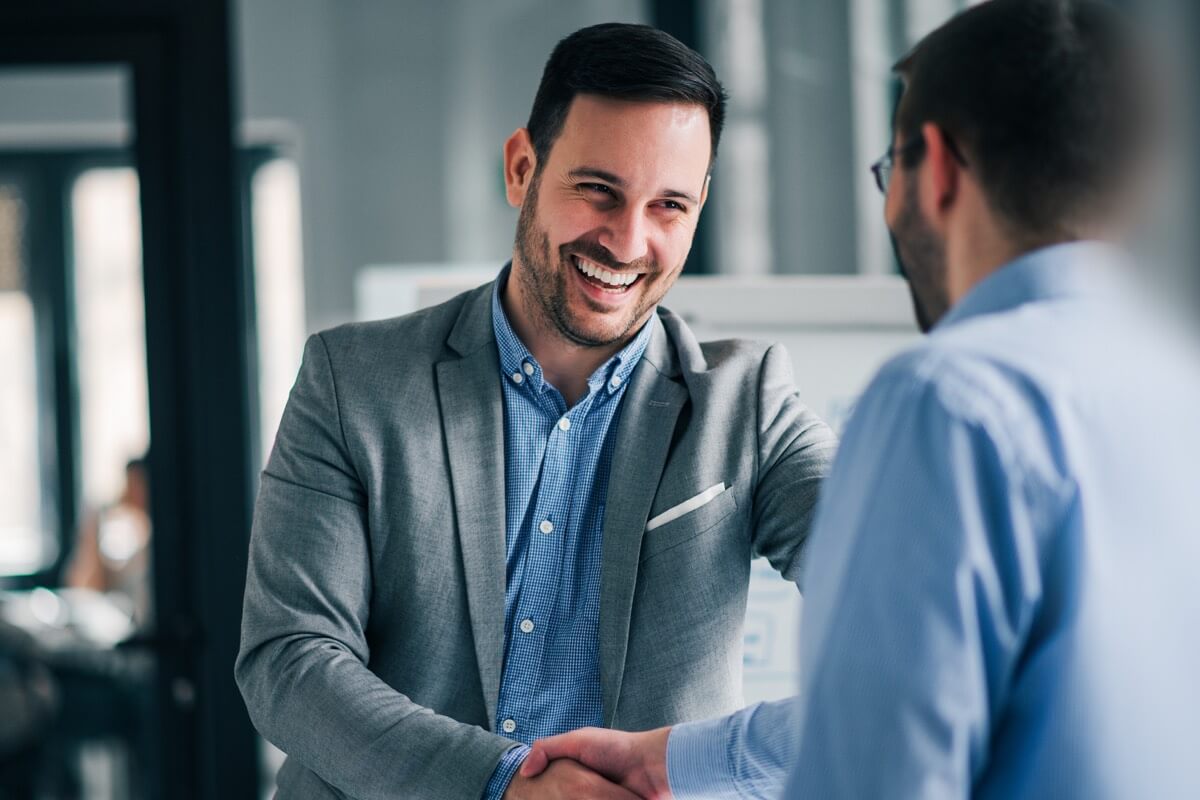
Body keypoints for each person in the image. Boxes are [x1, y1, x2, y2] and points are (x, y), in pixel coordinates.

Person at [520, 2, 1200, 798]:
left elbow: (881, 769)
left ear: (938, 167)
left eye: (889, 170)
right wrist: (677, 757)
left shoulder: (948, 402)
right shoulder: (1177, 383)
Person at [235, 22, 836, 800]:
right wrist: (502, 785)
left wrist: (703, 765)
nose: (628, 241)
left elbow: (910, 610)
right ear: (523, 167)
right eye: (598, 190)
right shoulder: (353, 381)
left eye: (669, 207)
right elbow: (289, 661)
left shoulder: (747, 404)